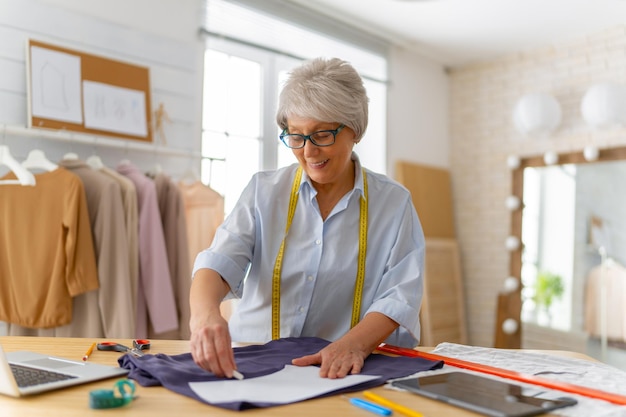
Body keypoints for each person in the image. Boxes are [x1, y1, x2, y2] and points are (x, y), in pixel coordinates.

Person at [189, 57, 425, 380]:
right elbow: (217, 263)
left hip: (338, 369)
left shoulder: (394, 204)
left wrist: (353, 345)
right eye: (296, 136)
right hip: (252, 364)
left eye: (322, 135)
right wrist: (204, 316)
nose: (308, 152)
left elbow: (400, 296)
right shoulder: (263, 191)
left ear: (355, 130)